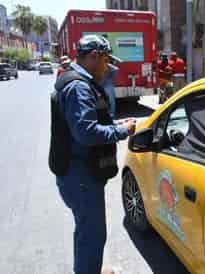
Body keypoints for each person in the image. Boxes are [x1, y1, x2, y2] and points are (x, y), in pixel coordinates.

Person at [49, 34, 136, 274]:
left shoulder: (75, 80)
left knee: (86, 230)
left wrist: (115, 123)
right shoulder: (78, 86)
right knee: (92, 234)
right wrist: (121, 130)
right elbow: (86, 133)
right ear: (95, 56)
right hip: (81, 176)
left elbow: (86, 122)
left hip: (76, 173)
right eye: (107, 59)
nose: (108, 67)